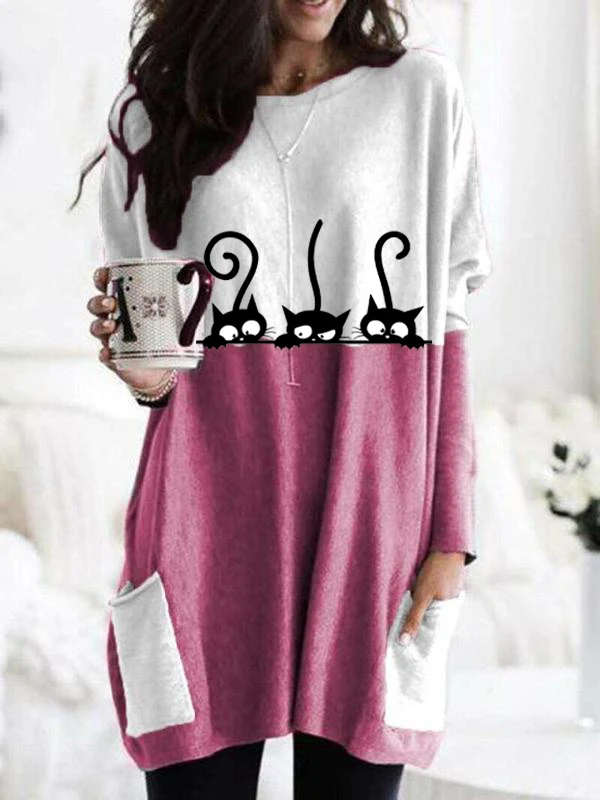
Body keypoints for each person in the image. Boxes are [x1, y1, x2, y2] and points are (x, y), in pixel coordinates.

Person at [79, 0, 493, 796]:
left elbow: (449, 326)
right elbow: (155, 353)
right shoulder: (153, 113)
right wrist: (141, 373)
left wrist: (452, 535)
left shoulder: (422, 95)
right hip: (204, 519)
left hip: (371, 518)